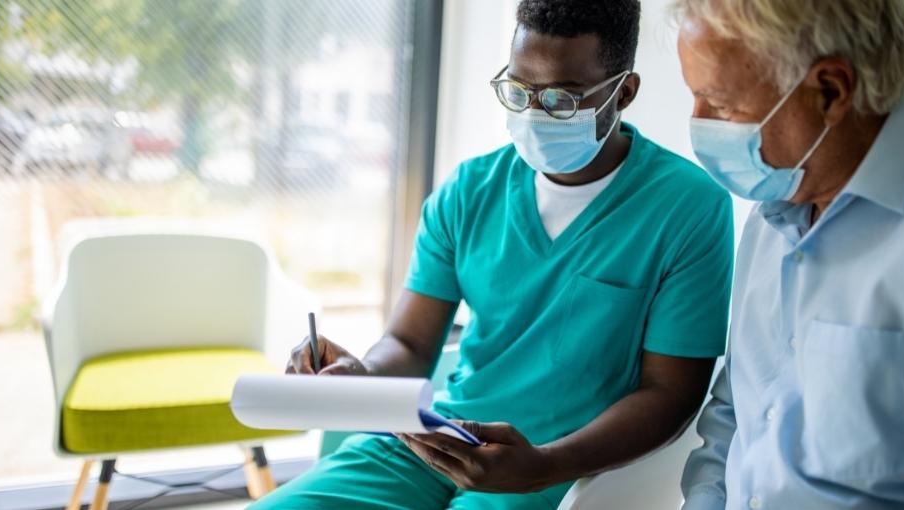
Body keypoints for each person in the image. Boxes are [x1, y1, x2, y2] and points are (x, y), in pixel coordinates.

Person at [253, 1, 734, 508]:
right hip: (433, 438)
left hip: (558, 462)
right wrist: (362, 377)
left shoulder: (688, 208)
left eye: (561, 100)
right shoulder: (469, 191)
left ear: (624, 92)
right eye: (519, 90)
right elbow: (411, 342)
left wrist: (545, 465)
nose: (533, 114)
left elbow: (670, 395)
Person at [674, 0, 904, 508]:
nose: (697, 124)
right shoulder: (776, 207)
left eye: (720, 104)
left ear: (830, 90)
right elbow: (735, 413)